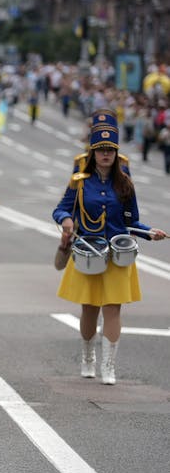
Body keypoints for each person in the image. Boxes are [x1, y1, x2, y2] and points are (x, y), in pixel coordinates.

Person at [53, 124, 166, 385]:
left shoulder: (125, 183)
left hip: (117, 254)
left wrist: (150, 232)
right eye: (101, 150)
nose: (106, 154)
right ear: (93, 153)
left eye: (110, 150)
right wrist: (67, 220)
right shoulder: (79, 183)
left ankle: (109, 365)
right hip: (88, 252)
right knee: (90, 308)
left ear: (116, 154)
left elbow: (132, 221)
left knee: (113, 308)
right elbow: (60, 209)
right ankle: (88, 357)